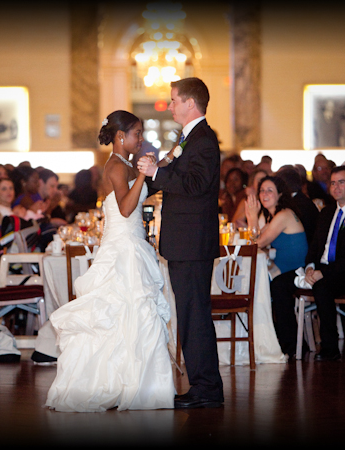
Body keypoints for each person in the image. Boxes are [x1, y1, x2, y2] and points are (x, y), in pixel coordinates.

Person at [45, 110, 174, 412]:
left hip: (133, 245)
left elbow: (141, 193)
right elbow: (128, 208)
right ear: (120, 137)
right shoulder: (116, 166)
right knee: (124, 313)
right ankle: (120, 384)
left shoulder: (126, 164)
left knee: (134, 317)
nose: (140, 139)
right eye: (137, 134)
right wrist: (143, 173)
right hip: (123, 248)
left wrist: (160, 165)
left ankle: (136, 384)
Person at [137, 77, 223, 409]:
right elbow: (176, 177)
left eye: (174, 100)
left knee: (194, 315)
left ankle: (207, 389)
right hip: (185, 241)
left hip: (191, 242)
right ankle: (203, 386)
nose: (170, 105)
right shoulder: (189, 139)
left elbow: (196, 184)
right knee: (189, 314)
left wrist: (156, 174)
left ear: (190, 103)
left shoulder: (203, 140)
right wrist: (146, 179)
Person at [269, 166, 345, 360]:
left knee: (321, 287)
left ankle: (330, 348)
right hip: (318, 269)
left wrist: (324, 273)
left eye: (341, 182)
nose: (336, 187)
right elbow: (314, 246)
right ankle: (292, 345)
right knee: (279, 284)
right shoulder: (326, 212)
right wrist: (309, 267)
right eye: (333, 183)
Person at [244, 176, 307, 276]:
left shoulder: (284, 215)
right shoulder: (275, 216)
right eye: (262, 190)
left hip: (292, 272)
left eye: (270, 190)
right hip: (282, 267)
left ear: (280, 194)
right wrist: (251, 217)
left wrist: (253, 217)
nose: (265, 194)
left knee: (250, 278)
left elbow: (257, 244)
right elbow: (254, 239)